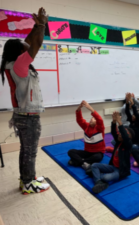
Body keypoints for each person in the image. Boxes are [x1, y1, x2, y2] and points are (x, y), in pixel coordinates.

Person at [0, 7, 50, 194]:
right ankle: (28, 183)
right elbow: (35, 43)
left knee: (26, 150)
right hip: (28, 117)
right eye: (23, 45)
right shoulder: (20, 64)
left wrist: (36, 26)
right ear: (18, 51)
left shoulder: (13, 64)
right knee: (30, 151)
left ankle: (26, 179)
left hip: (23, 115)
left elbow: (30, 41)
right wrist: (42, 25)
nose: (26, 45)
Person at [91, 112, 134, 194]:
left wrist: (120, 122)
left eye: (123, 134)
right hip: (112, 167)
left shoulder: (128, 146)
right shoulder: (118, 142)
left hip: (120, 171)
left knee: (105, 178)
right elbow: (114, 132)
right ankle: (99, 182)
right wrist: (114, 121)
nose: (120, 135)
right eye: (120, 133)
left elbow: (126, 137)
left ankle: (98, 178)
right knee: (94, 165)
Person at [68, 101, 105, 170]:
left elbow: (100, 119)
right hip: (87, 152)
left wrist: (90, 108)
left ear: (97, 122)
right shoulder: (86, 126)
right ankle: (84, 163)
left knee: (98, 157)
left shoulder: (100, 128)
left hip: (97, 152)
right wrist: (79, 108)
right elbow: (79, 120)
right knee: (71, 152)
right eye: (91, 119)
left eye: (93, 119)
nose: (91, 120)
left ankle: (77, 162)